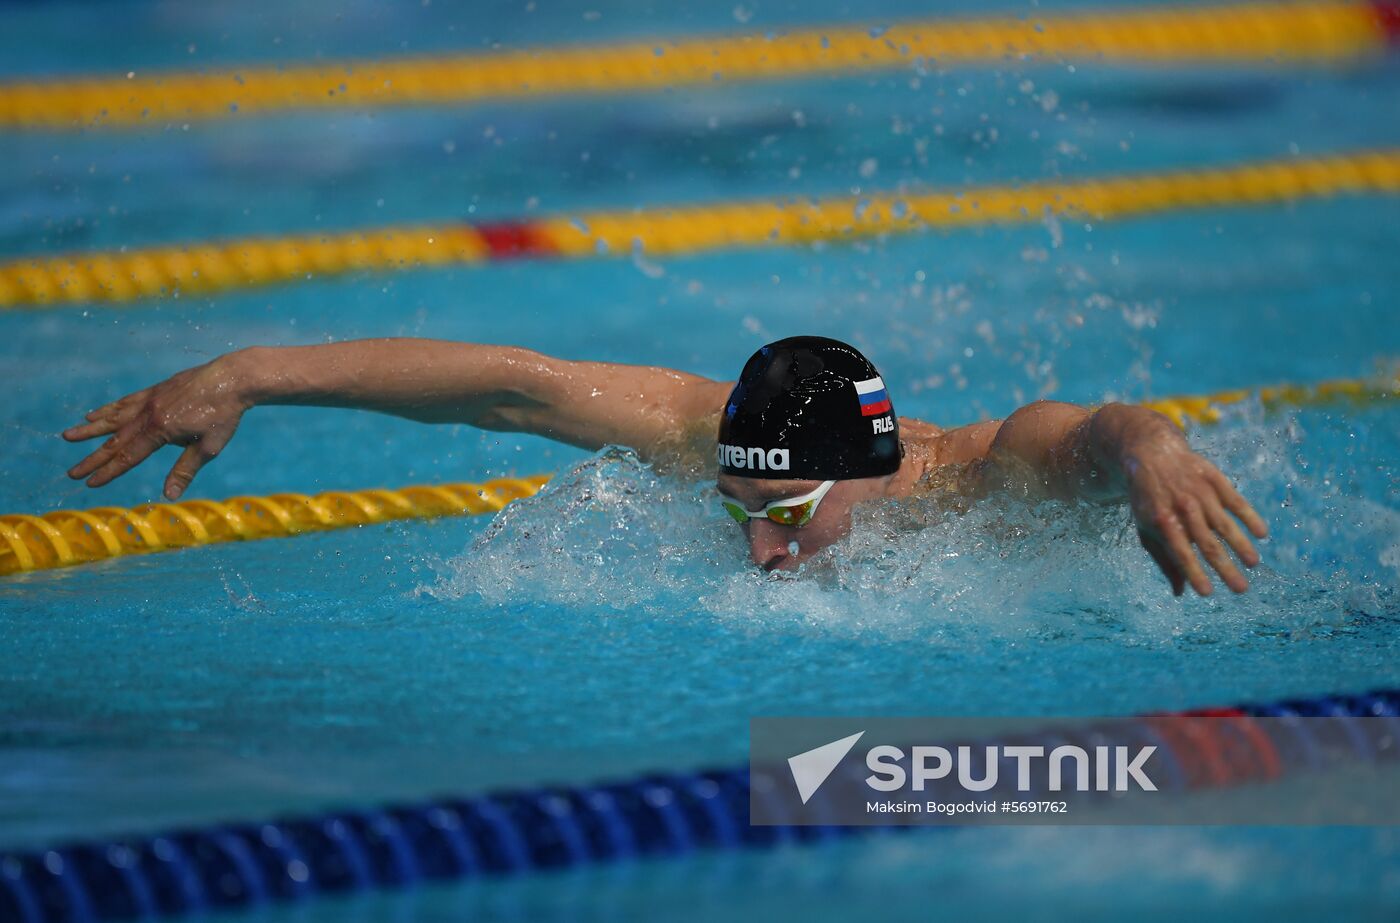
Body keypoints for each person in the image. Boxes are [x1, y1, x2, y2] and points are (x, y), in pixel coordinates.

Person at [62, 335, 1267, 596]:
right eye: (737, 506)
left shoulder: (986, 478)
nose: (757, 547)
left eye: (786, 510)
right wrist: (250, 373)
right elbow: (512, 388)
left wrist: (1152, 450)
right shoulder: (712, 433)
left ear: (878, 465)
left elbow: (1092, 426)